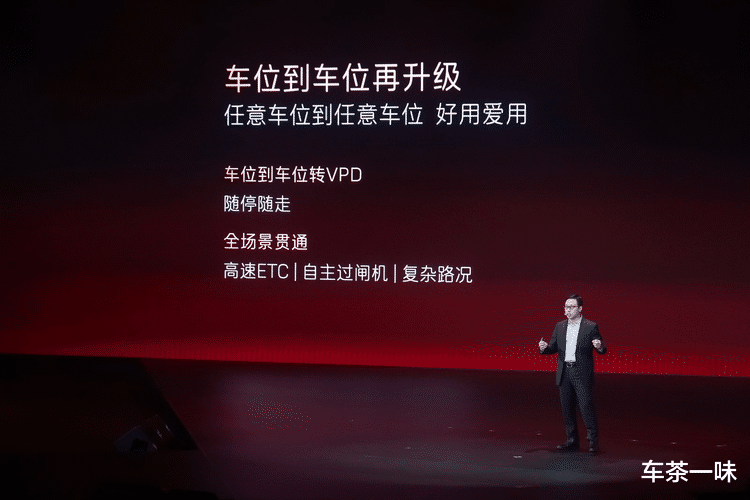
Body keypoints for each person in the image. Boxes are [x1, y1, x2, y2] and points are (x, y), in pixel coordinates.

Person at [538, 294, 606, 453]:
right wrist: (544, 348)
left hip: (581, 372)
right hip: (565, 372)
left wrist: (599, 346)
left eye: (571, 307)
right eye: (566, 307)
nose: (567, 310)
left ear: (580, 308)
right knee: (567, 408)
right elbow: (553, 348)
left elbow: (602, 349)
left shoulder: (590, 326)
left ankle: (593, 442)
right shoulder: (560, 326)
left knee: (586, 407)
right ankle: (572, 441)